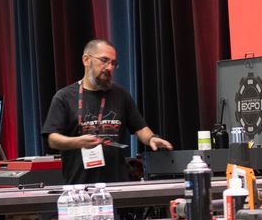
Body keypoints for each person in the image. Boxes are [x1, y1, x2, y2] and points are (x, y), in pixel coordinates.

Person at [42, 39, 172, 184]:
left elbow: (140, 128)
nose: (109, 67)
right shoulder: (64, 97)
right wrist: (77, 142)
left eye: (113, 63)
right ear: (86, 60)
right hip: (79, 187)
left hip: (117, 184)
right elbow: (52, 139)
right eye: (104, 60)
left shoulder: (121, 95)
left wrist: (151, 138)